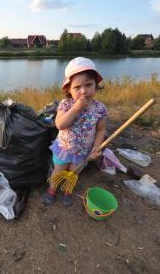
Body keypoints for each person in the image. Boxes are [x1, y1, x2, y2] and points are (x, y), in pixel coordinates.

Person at [43, 57, 107, 207]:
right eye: (77, 87)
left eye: (88, 85)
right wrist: (76, 108)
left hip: (83, 151)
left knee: (73, 174)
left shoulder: (100, 109)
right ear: (69, 90)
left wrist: (97, 147)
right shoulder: (66, 104)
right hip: (64, 149)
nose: (83, 91)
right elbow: (60, 124)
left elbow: (101, 129)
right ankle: (52, 190)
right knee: (58, 172)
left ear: (96, 86)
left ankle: (67, 191)